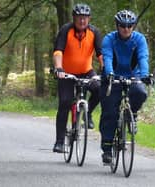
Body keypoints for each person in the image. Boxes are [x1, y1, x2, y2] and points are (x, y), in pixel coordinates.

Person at [99, 10, 149, 164]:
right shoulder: (109, 39)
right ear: (117, 26)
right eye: (122, 26)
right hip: (113, 76)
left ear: (133, 26)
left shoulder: (139, 39)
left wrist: (145, 74)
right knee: (110, 112)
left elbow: (142, 57)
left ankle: (132, 113)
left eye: (129, 26)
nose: (126, 29)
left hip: (133, 75)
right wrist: (110, 74)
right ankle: (107, 148)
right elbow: (107, 57)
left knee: (140, 92)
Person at [52, 3, 103, 153]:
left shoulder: (94, 32)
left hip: (87, 71)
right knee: (65, 103)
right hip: (67, 73)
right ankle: (60, 142)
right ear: (74, 18)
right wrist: (59, 68)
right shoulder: (65, 30)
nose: (82, 21)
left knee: (100, 89)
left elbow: (101, 54)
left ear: (89, 19)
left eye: (85, 18)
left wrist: (105, 69)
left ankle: (88, 113)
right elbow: (58, 51)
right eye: (79, 18)